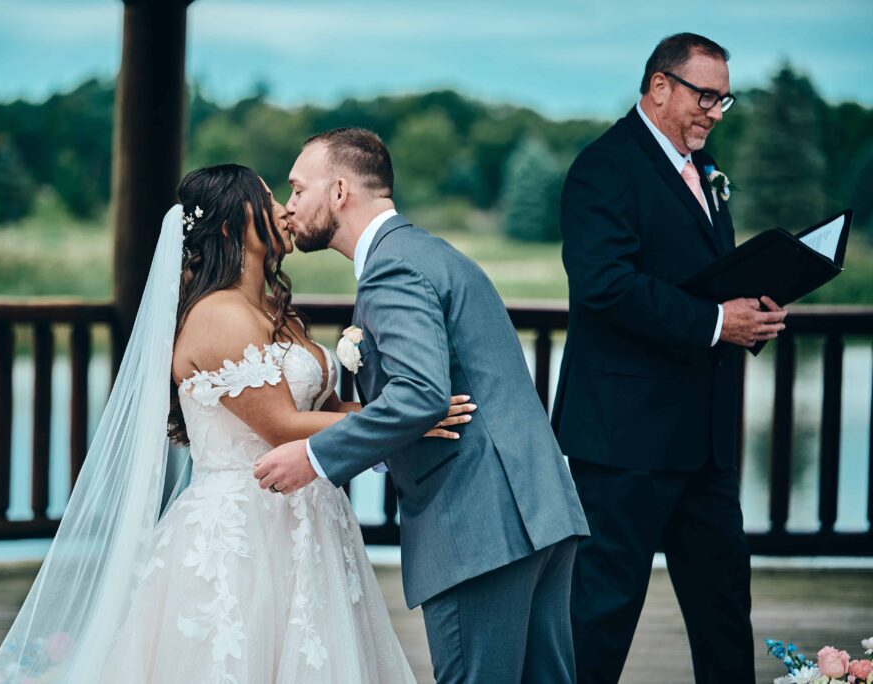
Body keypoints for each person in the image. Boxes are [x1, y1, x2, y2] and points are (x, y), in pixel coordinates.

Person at [0, 163, 476, 683]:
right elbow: (284, 426)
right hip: (244, 529)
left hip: (310, 517)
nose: (285, 208)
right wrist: (402, 422)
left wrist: (411, 412)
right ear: (227, 226)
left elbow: (326, 413)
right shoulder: (218, 315)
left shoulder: (273, 310)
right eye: (266, 198)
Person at [255, 128, 589, 683]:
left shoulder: (392, 268)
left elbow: (420, 394)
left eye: (297, 188)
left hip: (479, 526)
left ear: (339, 191)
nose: (289, 207)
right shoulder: (430, 251)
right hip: (538, 510)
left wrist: (314, 456)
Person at [552, 33, 788, 684]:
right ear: (660, 87)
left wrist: (753, 312)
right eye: (705, 95)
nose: (715, 111)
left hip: (704, 440)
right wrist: (716, 322)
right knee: (600, 616)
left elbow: (705, 280)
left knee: (722, 612)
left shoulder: (704, 176)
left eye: (723, 99)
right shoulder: (605, 167)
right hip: (625, 439)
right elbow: (606, 286)